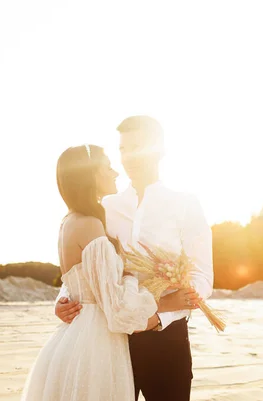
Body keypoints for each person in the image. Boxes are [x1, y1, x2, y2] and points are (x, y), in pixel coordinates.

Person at [54, 116, 214, 401]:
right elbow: (87, 264)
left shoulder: (185, 204)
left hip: (166, 340)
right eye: (124, 149)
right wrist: (64, 298)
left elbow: (202, 276)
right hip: (111, 341)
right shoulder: (106, 206)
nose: (129, 157)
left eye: (138, 147)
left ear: (160, 150)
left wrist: (163, 313)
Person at [21, 144, 159, 401]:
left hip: (74, 337)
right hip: (95, 343)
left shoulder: (69, 222)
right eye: (107, 167)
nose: (115, 172)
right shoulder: (90, 224)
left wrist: (61, 300)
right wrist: (134, 281)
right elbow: (117, 311)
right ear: (90, 175)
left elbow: (76, 280)